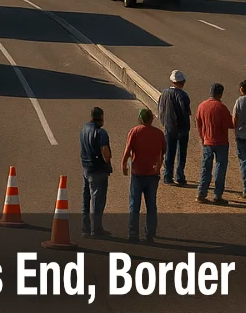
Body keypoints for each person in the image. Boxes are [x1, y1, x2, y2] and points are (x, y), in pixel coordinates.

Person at [122, 108, 166, 243]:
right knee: (151, 205)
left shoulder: (135, 132)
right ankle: (150, 233)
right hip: (153, 173)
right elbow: (163, 151)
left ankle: (133, 233)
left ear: (140, 119)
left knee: (134, 204)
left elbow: (128, 150)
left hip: (138, 172)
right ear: (151, 119)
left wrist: (124, 164)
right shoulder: (159, 133)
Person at [195, 83, 233, 205]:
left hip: (207, 141)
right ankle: (217, 195)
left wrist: (202, 137)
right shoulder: (221, 107)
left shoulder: (202, 106)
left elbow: (198, 123)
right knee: (220, 169)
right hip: (221, 142)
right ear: (220, 94)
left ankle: (201, 193)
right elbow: (230, 124)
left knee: (206, 168)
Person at [79, 106, 113, 237]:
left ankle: (85, 228)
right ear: (101, 117)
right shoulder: (101, 132)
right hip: (98, 169)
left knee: (86, 199)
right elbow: (104, 150)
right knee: (97, 200)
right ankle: (96, 229)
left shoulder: (84, 129)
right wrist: (108, 162)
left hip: (86, 168)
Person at [157, 70, 192, 186]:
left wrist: (164, 122)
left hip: (168, 126)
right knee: (181, 153)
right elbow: (185, 112)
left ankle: (167, 175)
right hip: (181, 128)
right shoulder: (183, 95)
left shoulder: (164, 93)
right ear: (182, 82)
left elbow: (160, 109)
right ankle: (180, 176)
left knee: (169, 152)